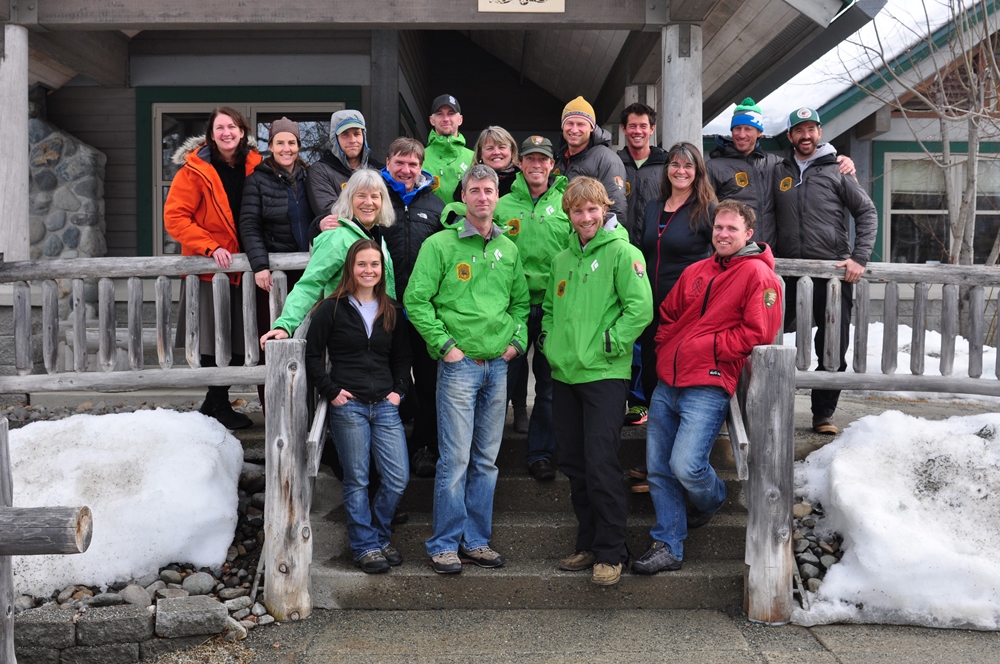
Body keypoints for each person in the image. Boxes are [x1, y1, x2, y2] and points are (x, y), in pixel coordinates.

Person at [633, 199, 782, 575]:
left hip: (709, 383)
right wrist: (669, 346)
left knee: (686, 466)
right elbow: (666, 314)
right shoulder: (696, 270)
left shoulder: (757, 276)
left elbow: (759, 333)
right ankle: (668, 545)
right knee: (658, 470)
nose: (723, 234)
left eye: (732, 229)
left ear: (749, 234)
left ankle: (714, 499)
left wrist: (710, 349)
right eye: (719, 227)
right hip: (668, 380)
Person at [404, 164, 529, 575]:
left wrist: (516, 345)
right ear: (463, 195)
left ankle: (476, 540)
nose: (482, 197)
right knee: (454, 460)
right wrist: (445, 346)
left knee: (486, 461)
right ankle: (444, 543)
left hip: (498, 366)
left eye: (489, 190)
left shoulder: (508, 249)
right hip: (460, 368)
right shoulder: (440, 245)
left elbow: (521, 306)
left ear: (497, 195)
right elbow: (416, 300)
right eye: (474, 190)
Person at [540, 176, 652, 586]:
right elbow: (550, 311)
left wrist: (610, 343)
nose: (585, 217)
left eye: (592, 209)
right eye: (577, 210)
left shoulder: (624, 253)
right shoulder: (561, 260)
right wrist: (549, 343)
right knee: (573, 462)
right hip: (565, 373)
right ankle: (587, 543)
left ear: (604, 209)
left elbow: (640, 309)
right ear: (568, 214)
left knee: (601, 463)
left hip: (605, 374)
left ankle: (611, 551)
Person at [304, 239, 411, 574]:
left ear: (382, 270)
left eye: (375, 265)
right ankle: (365, 546)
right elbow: (311, 354)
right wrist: (331, 390)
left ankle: (378, 536)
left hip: (384, 404)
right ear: (351, 268)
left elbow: (402, 358)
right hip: (348, 405)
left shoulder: (390, 309)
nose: (369, 270)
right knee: (358, 479)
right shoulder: (331, 309)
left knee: (397, 477)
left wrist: (398, 392)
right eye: (362, 264)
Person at [773, 107, 877, 435]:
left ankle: (822, 414)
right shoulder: (778, 171)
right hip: (785, 273)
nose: (805, 136)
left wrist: (859, 257)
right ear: (790, 136)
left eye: (811, 129)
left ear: (819, 132)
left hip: (832, 274)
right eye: (799, 130)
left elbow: (867, 212)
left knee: (832, 343)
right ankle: (769, 407)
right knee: (766, 340)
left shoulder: (838, 170)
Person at [165, 106, 262, 430]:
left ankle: (213, 404)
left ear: (243, 131)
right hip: (210, 267)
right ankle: (219, 404)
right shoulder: (194, 170)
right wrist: (211, 246)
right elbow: (176, 218)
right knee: (212, 338)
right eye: (220, 128)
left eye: (232, 127)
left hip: (243, 267)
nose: (226, 133)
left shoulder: (256, 166)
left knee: (237, 340)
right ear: (211, 134)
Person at [627, 142, 717, 459]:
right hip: (650, 308)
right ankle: (656, 455)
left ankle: (681, 452)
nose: (681, 171)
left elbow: (725, 254)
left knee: (679, 377)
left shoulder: (708, 209)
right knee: (653, 376)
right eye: (675, 165)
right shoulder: (653, 207)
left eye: (688, 166)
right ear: (667, 170)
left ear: (697, 172)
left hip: (686, 311)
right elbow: (641, 251)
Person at [494, 135, 570, 482]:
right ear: (519, 164)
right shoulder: (502, 205)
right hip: (512, 308)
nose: (536, 165)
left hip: (553, 307)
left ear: (552, 165)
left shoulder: (568, 204)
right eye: (530, 159)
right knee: (501, 382)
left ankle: (541, 453)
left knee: (549, 385)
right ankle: (488, 453)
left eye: (543, 159)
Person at [260, 169, 396, 343]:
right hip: (348, 334)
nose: (368, 202)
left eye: (375, 196)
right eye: (361, 195)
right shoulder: (337, 237)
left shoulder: (377, 238)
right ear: (349, 199)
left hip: (377, 333)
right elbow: (310, 283)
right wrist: (285, 324)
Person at [707, 98, 855, 248]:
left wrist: (840, 160)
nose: (742, 134)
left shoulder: (776, 164)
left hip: (770, 254)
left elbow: (805, 163)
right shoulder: (714, 167)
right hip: (732, 252)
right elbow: (704, 214)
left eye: (748, 129)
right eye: (737, 128)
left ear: (759, 132)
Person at [239, 117, 312, 410]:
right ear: (270, 146)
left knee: (305, 340)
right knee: (270, 341)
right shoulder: (257, 179)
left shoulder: (309, 177)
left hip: (306, 275)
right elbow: (249, 224)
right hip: (271, 277)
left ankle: (303, 408)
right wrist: (260, 265)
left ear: (298, 146)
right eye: (280, 142)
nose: (286, 148)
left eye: (291, 142)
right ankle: (273, 408)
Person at [554, 96, 628, 224]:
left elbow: (617, 208)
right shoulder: (559, 161)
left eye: (581, 124)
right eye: (570, 123)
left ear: (592, 127)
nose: (574, 129)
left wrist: (604, 242)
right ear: (562, 126)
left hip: (592, 240)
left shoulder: (606, 159)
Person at [307, 110, 383, 224]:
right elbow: (331, 213)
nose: (352, 140)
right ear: (335, 138)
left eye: (357, 134)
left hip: (376, 240)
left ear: (364, 136)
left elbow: (388, 212)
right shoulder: (321, 171)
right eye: (345, 134)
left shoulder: (379, 171)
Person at [617, 102, 667, 245]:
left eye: (643, 126)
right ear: (624, 129)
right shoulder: (613, 164)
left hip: (657, 246)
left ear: (652, 129)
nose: (637, 131)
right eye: (632, 126)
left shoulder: (666, 166)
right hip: (621, 245)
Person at [424, 94, 475, 205]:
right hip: (429, 221)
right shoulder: (419, 157)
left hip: (465, 221)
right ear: (432, 120)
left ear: (460, 119)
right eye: (439, 114)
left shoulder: (474, 158)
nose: (446, 119)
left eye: (451, 114)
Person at [452, 126, 521, 202]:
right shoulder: (468, 182)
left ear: (512, 151)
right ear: (480, 154)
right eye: (489, 148)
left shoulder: (522, 179)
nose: (496, 152)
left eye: (502, 147)